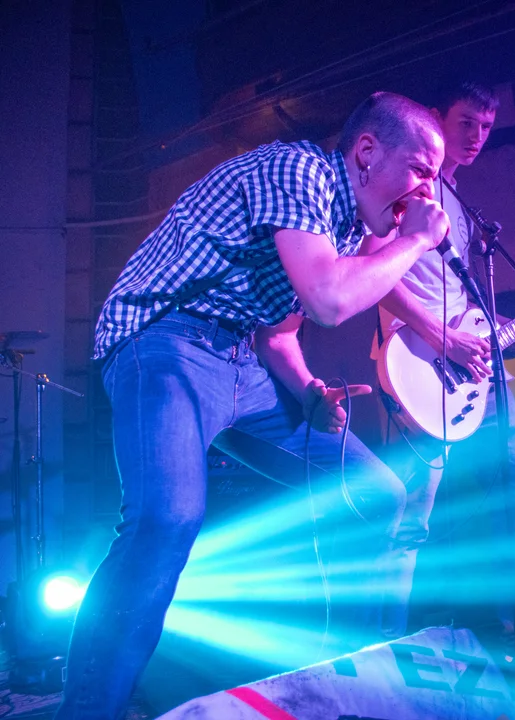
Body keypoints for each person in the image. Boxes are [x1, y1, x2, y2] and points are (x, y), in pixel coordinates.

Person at [58, 92, 450, 720]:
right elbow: (328, 299)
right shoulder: (298, 171)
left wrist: (310, 392)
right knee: (166, 519)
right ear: (367, 152)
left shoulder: (344, 224)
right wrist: (417, 240)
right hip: (164, 337)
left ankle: (336, 691)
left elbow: (278, 336)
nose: (430, 190)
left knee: (375, 495)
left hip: (241, 361)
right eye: (422, 170)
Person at [362, 80, 515, 659]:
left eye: (486, 127)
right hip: (419, 365)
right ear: (435, 118)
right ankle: (378, 655)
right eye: (466, 123)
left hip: (468, 370)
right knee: (410, 519)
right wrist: (441, 337)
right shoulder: (407, 186)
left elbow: (457, 297)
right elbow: (370, 269)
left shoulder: (457, 201)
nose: (477, 137)